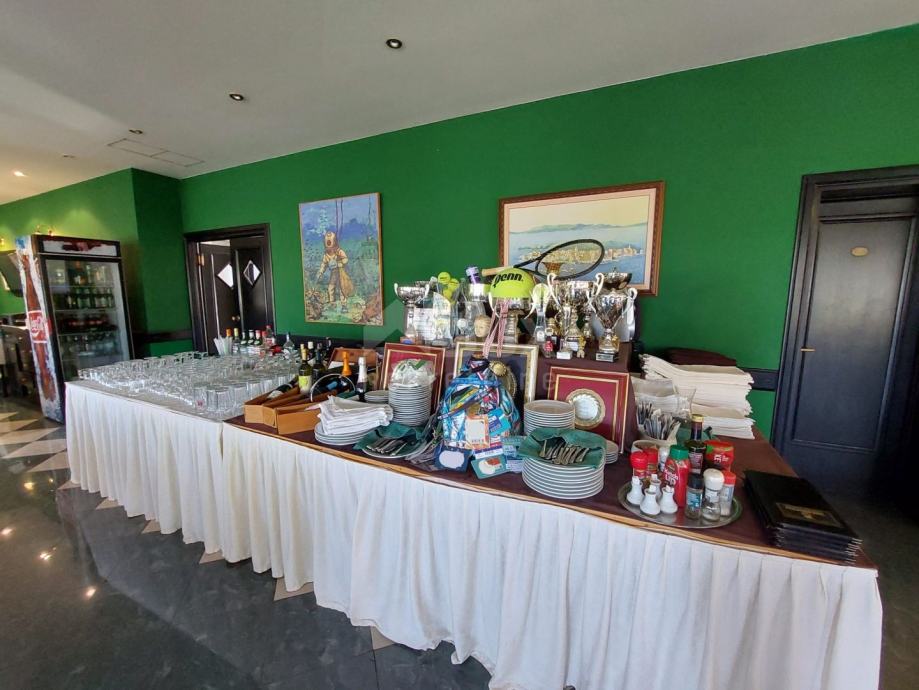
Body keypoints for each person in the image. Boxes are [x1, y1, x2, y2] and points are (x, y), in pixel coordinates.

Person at [316, 231, 353, 310]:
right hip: (333, 273)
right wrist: (320, 272)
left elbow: (345, 259)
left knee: (341, 288)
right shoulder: (326, 255)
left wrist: (340, 263)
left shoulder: (339, 251)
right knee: (330, 288)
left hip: (341, 272)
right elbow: (324, 264)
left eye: (330, 242)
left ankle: (344, 305)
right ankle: (332, 304)